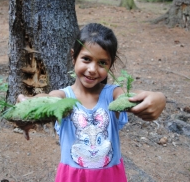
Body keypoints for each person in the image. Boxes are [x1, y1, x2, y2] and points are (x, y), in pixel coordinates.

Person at [17, 23, 166, 182]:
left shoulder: (113, 94)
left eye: (102, 62)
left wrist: (159, 98)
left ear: (111, 64)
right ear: (74, 57)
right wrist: (28, 107)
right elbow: (46, 99)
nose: (93, 69)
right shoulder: (63, 97)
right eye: (86, 59)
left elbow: (133, 96)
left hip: (109, 177)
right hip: (73, 177)